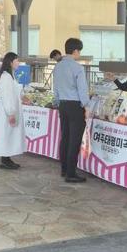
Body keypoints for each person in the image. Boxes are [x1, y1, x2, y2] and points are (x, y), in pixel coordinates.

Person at [53, 38, 89, 183]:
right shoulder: (77, 67)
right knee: (74, 140)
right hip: (75, 106)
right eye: (79, 51)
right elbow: (82, 90)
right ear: (75, 51)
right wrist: (86, 106)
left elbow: (55, 88)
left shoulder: (58, 66)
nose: (79, 54)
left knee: (65, 137)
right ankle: (71, 173)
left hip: (62, 104)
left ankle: (64, 169)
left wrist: (57, 102)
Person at [0, 52, 26, 170]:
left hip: (11, 110)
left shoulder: (11, 75)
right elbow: (7, 96)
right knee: (6, 134)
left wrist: (23, 97)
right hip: (7, 112)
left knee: (9, 135)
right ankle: (5, 160)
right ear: (10, 62)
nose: (18, 63)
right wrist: (10, 113)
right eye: (17, 60)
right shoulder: (6, 77)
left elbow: (15, 91)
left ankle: (7, 158)